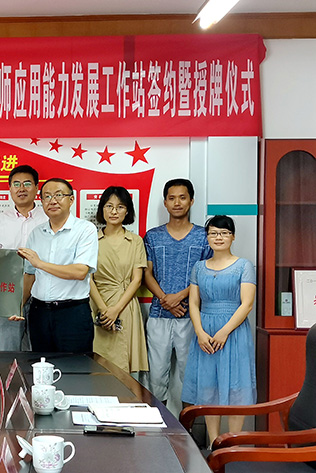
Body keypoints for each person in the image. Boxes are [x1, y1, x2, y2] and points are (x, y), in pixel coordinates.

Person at [182, 215, 256, 445]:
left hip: (233, 332)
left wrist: (224, 332)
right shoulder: (199, 267)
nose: (219, 237)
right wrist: (199, 332)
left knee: (237, 387)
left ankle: (233, 445)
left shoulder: (244, 265)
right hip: (205, 333)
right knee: (208, 387)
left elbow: (247, 304)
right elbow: (193, 303)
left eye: (224, 233)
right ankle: (214, 444)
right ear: (207, 238)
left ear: (233, 237)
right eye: (213, 233)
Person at [144, 178, 212, 404]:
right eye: (171, 198)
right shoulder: (153, 236)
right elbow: (147, 273)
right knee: (156, 377)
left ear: (191, 201)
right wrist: (165, 299)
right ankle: (160, 423)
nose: (177, 203)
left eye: (182, 197)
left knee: (190, 377)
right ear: (165, 202)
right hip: (158, 315)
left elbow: (207, 274)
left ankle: (188, 424)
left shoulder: (203, 236)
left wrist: (179, 297)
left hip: (191, 317)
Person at [18, 178, 98, 352]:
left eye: (59, 195)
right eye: (47, 196)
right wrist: (17, 307)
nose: (52, 201)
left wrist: (40, 263)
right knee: (40, 364)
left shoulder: (85, 229)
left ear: (71, 199)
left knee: (74, 365)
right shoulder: (36, 233)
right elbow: (30, 275)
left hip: (72, 313)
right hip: (39, 313)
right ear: (41, 201)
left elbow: (80, 271)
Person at [0, 164, 48, 351]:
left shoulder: (48, 218)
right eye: (16, 184)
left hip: (42, 294)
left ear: (36, 187)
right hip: (7, 294)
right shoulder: (0, 220)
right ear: (9, 188)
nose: (21, 188)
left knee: (40, 354)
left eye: (27, 183)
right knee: (7, 352)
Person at [89, 186, 149, 374]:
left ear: (128, 211)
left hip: (125, 305)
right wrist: (104, 309)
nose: (114, 211)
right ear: (102, 209)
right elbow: (87, 278)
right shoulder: (91, 240)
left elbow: (137, 280)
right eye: (109, 206)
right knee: (98, 365)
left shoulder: (135, 241)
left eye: (120, 207)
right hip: (98, 304)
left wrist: (115, 310)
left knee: (125, 368)